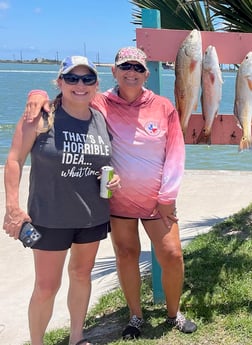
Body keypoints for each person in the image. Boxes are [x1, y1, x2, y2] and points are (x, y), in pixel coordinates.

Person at [24, 47, 197, 339]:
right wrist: (36, 94)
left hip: (158, 201)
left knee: (172, 255)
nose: (132, 73)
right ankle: (136, 316)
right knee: (126, 255)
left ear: (147, 73)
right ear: (114, 72)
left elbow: (176, 154)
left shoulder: (163, 106)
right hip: (117, 201)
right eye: (125, 67)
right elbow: (66, 96)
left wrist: (167, 197)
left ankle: (173, 313)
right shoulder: (99, 102)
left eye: (138, 68)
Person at [4, 56, 120, 345]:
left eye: (87, 79)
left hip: (92, 216)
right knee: (46, 286)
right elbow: (15, 160)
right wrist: (12, 208)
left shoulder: (100, 119)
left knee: (82, 275)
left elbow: (100, 162)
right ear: (60, 82)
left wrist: (112, 180)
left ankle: (77, 337)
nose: (80, 85)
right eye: (72, 78)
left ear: (96, 85)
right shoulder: (42, 116)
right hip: (49, 217)